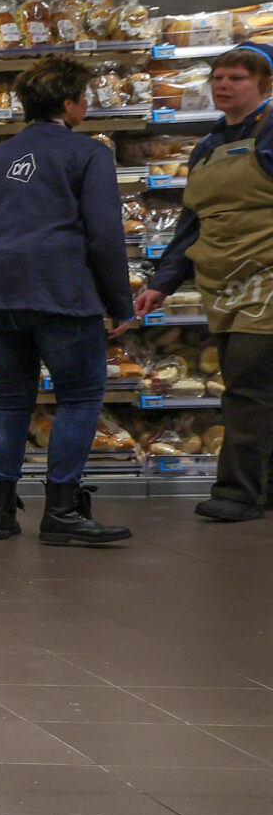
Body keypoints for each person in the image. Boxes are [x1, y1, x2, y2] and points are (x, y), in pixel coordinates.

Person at [0, 56, 137, 544]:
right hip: (60, 291)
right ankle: (61, 510)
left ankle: (0, 513)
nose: (86, 105)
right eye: (84, 96)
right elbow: (104, 236)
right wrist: (120, 303)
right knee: (78, 397)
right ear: (68, 103)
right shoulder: (88, 154)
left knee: (12, 401)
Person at [135, 42, 273, 522]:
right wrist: (163, 283)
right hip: (222, 281)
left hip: (266, 278)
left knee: (249, 387)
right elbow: (190, 224)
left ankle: (239, 493)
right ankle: (260, 487)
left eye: (237, 78)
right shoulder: (209, 144)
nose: (223, 85)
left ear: (264, 85)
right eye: (218, 77)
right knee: (247, 383)